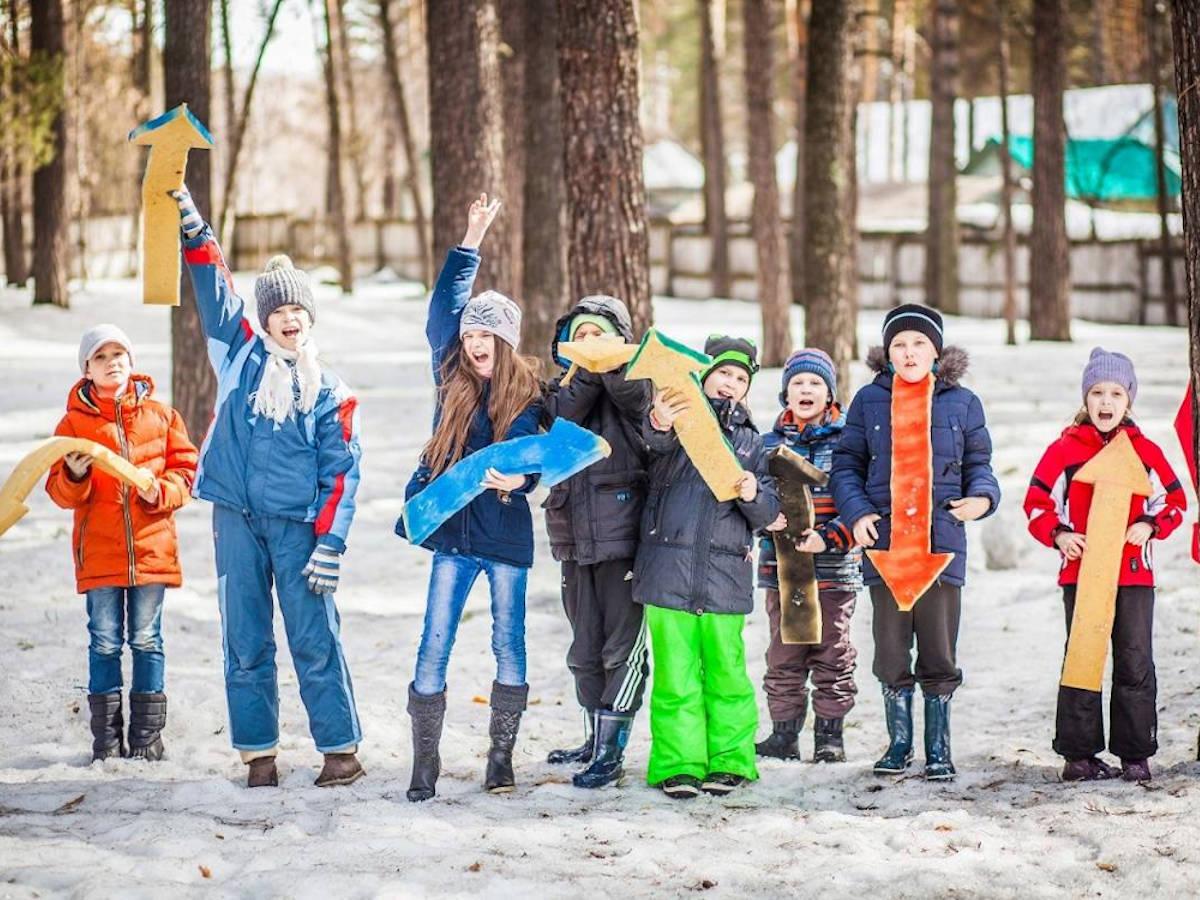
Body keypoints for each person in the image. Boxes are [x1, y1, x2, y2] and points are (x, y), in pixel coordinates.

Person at [175, 187, 365, 789]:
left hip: (297, 528)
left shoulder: (328, 388)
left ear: (309, 319)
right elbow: (215, 289)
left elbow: (342, 472)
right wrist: (196, 233)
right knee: (245, 635)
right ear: (265, 318)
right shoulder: (237, 355)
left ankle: (340, 750)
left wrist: (330, 543)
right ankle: (259, 755)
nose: (288, 320)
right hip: (235, 517)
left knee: (313, 636)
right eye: (278, 311)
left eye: (297, 313)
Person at [397, 194, 544, 801]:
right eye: (470, 331)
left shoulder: (533, 392)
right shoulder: (449, 378)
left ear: (505, 340)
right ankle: (424, 762)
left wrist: (526, 483)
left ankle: (501, 757)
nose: (475, 340)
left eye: (487, 333)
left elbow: (543, 458)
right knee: (435, 640)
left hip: (506, 535)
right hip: (454, 535)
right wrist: (470, 239)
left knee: (509, 642)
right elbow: (442, 311)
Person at [831, 304, 1000, 781]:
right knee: (889, 649)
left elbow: (980, 465)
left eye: (919, 344)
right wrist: (858, 511)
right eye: (899, 345)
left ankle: (938, 746)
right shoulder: (868, 400)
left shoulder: (962, 403)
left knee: (940, 650)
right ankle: (899, 742)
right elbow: (846, 465)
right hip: (887, 545)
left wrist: (983, 498)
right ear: (887, 353)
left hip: (940, 543)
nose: (909, 353)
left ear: (936, 350)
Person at [1024, 348, 1186, 783]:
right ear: (1086, 398)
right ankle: (1078, 756)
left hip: (1133, 574)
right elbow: (1038, 503)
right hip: (1082, 573)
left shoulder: (1144, 450)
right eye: (1097, 392)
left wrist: (1150, 525)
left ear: (1128, 400)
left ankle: (1135, 754)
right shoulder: (1064, 450)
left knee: (1134, 660)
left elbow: (1174, 500)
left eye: (1116, 392)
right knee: (1082, 657)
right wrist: (1059, 534)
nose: (1106, 401)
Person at [635, 335, 780, 799]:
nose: (730, 384)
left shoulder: (753, 443)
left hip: (725, 577)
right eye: (723, 373)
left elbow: (768, 513)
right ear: (703, 374)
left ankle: (732, 760)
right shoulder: (675, 421)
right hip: (667, 570)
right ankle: (678, 763)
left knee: (727, 674)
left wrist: (755, 493)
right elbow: (648, 447)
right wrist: (660, 421)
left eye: (740, 378)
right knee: (675, 675)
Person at [46, 324, 198, 762]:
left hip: (152, 550)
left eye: (119, 354)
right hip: (99, 554)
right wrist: (74, 474)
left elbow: (186, 474)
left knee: (148, 639)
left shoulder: (162, 417)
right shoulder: (72, 425)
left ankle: (148, 738)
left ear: (132, 362)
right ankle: (107, 741)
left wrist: (161, 490)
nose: (112, 361)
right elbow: (58, 491)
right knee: (105, 641)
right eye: (100, 356)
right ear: (86, 370)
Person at [541, 296, 652, 788]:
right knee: (583, 650)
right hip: (573, 536)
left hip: (624, 537)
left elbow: (638, 405)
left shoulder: (633, 385)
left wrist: (607, 366)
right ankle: (593, 737)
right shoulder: (559, 391)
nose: (590, 345)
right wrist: (584, 369)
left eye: (599, 335)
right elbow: (561, 420)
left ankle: (612, 751)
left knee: (620, 651)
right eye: (580, 336)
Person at [756, 348, 862, 763]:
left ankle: (830, 735)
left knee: (832, 650)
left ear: (830, 394)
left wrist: (833, 536)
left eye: (815, 383)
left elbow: (860, 500)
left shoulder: (850, 442)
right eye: (798, 383)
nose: (806, 389)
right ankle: (784, 733)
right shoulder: (767, 443)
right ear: (786, 393)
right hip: (781, 568)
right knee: (784, 650)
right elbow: (753, 497)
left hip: (835, 567)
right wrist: (766, 520)